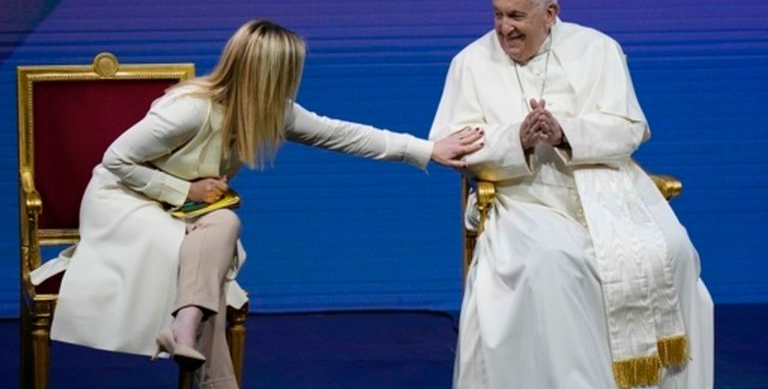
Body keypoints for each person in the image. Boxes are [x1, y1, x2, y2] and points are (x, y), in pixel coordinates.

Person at [39, 20, 484, 389]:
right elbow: (115, 161)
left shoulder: (273, 111)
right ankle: (213, 373)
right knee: (201, 262)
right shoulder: (190, 110)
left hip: (184, 212)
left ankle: (184, 327)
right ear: (269, 74)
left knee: (225, 226)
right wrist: (186, 192)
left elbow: (344, 134)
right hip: (126, 201)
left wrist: (426, 150)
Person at [428, 0, 713, 389]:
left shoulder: (598, 49)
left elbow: (630, 128)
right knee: (555, 264)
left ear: (551, 13)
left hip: (609, 187)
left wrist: (566, 133)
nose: (505, 29)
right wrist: (516, 139)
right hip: (523, 195)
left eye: (517, 17)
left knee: (675, 252)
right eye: (498, 14)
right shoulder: (469, 62)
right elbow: (453, 143)